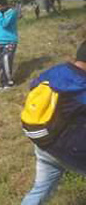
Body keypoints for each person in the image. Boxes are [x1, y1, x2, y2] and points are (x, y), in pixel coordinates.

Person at [21, 41, 86, 205]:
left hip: (43, 144)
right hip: (71, 152)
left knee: (40, 190)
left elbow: (33, 86)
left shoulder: (56, 71)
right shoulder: (82, 87)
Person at [0, 0, 19, 90]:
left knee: (6, 61)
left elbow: (4, 24)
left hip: (9, 41)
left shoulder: (11, 12)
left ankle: (8, 83)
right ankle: (2, 83)